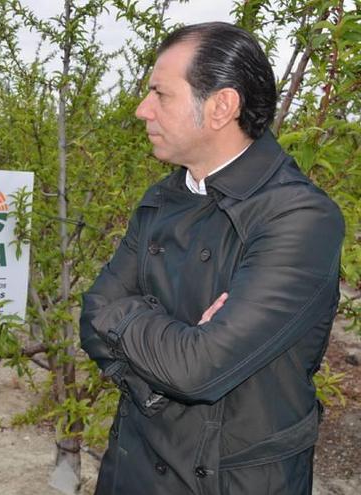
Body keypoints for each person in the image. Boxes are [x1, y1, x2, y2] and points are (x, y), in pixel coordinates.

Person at [80, 22, 344, 495]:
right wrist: (168, 350)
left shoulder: (300, 217)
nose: (143, 110)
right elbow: (93, 313)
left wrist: (133, 319)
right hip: (133, 467)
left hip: (230, 480)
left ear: (221, 105)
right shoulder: (161, 198)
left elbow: (198, 370)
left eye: (160, 94)